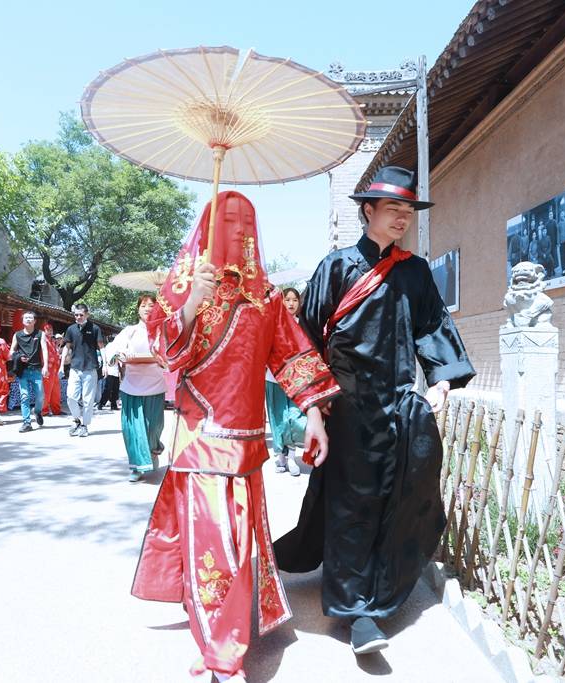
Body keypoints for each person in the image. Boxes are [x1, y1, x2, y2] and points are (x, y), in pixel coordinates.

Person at [132, 191, 339, 682]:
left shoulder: (266, 298)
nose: (239, 231)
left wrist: (314, 414)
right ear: (207, 226)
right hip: (200, 439)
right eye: (228, 220)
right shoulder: (185, 285)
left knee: (236, 544)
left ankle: (220, 633)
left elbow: (293, 358)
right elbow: (167, 354)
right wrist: (189, 305)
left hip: (247, 445)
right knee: (215, 544)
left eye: (246, 222)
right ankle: (223, 648)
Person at [274, 166, 475, 655]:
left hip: (401, 404)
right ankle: (357, 611)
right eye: (393, 209)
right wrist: (315, 409)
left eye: (408, 210)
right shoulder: (337, 266)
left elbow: (432, 327)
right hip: (345, 406)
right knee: (352, 505)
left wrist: (443, 380)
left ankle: (381, 588)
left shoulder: (415, 271)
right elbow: (305, 341)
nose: (402, 218)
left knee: (408, 495)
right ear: (368, 210)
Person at [106, 295, 166, 482]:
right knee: (132, 429)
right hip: (132, 386)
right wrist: (120, 353)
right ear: (138, 309)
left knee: (154, 427)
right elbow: (113, 349)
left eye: (151, 305)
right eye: (144, 305)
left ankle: (154, 450)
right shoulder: (129, 331)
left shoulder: (162, 331)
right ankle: (137, 466)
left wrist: (160, 358)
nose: (148, 308)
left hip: (155, 385)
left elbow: (169, 355)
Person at [265, 287, 305, 477]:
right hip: (273, 379)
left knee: (296, 419)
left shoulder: (303, 326)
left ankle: (292, 458)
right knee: (278, 419)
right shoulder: (272, 324)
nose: (290, 303)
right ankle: (280, 455)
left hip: (296, 380)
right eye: (287, 299)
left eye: (294, 300)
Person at [61, 303, 104, 437]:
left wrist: (106, 365)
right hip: (75, 367)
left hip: (90, 368)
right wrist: (61, 365)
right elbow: (66, 347)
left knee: (88, 400)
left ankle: (85, 425)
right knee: (71, 397)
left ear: (87, 314)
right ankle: (76, 419)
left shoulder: (95, 328)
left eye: (81, 315)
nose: (78, 317)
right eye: (76, 315)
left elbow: (101, 347)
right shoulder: (71, 329)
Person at [9, 311, 47, 433]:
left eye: (31, 318)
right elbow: (11, 352)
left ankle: (37, 411)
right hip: (23, 370)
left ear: (35, 321)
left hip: (36, 369)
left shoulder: (40, 334)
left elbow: (45, 350)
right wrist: (18, 357)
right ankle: (26, 422)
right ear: (22, 320)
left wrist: (45, 366)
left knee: (40, 396)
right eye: (26, 318)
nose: (28, 319)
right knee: (24, 396)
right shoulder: (17, 335)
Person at [41, 323, 62, 417]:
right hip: (48, 368)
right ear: (44, 330)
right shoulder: (43, 340)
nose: (50, 331)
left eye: (51, 329)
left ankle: (56, 410)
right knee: (47, 390)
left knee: (55, 390)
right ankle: (44, 410)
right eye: (48, 329)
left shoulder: (52, 341)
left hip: (54, 368)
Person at [97, 334, 120, 410]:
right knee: (113, 389)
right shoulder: (115, 347)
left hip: (111, 370)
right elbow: (117, 358)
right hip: (113, 370)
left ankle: (104, 404)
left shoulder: (107, 347)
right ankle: (110, 404)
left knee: (110, 388)